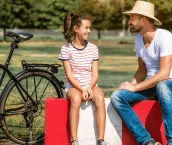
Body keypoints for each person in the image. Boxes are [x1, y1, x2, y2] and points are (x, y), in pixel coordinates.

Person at [110, 1, 172, 145]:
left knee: (162, 86)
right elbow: (142, 69)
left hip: (168, 83)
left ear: (143, 19)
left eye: (132, 18)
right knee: (117, 97)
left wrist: (135, 88)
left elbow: (164, 74)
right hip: (151, 85)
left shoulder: (165, 37)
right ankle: (146, 141)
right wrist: (129, 86)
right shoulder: (138, 38)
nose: (129, 22)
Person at [59, 13, 107, 145]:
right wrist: (81, 89)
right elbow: (69, 75)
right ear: (76, 29)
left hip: (90, 84)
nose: (89, 31)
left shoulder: (93, 48)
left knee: (100, 98)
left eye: (89, 28)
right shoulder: (66, 49)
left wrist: (90, 88)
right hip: (73, 86)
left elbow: (95, 73)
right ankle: (74, 140)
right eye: (86, 28)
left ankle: (101, 140)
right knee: (75, 99)